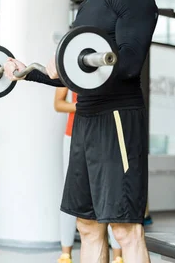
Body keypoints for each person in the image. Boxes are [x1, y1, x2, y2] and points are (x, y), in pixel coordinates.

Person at [4, 0, 158, 263]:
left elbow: (130, 63)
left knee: (125, 228)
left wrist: (87, 58)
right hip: (87, 120)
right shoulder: (89, 5)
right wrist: (27, 72)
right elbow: (70, 74)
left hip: (118, 117)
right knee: (86, 225)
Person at [54, 88, 122, 263]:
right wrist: (83, 106)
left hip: (106, 133)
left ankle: (118, 256)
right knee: (71, 194)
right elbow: (58, 103)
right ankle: (66, 254)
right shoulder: (68, 66)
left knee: (109, 191)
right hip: (73, 134)